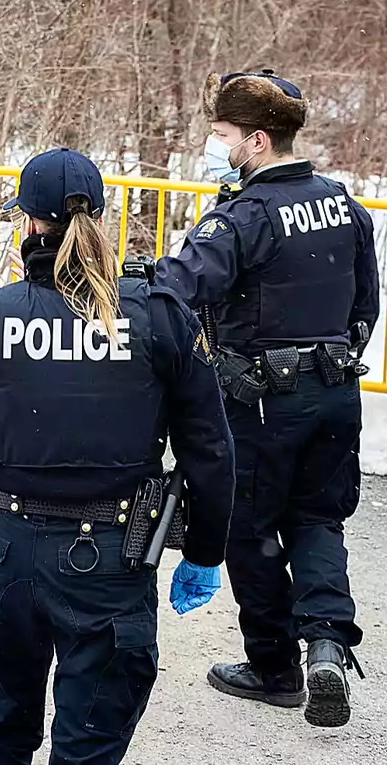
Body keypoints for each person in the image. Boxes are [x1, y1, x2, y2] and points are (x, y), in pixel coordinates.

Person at [0, 148, 235, 765]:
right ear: (100, 218)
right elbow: (209, 448)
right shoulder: (158, 317)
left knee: (2, 727)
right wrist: (205, 553)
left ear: (25, 223)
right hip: (112, 556)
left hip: (8, 552)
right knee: (89, 745)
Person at [155, 69, 377, 727]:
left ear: (254, 140)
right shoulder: (344, 204)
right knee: (317, 521)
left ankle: (276, 667)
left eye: (220, 134)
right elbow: (365, 305)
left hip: (260, 406)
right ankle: (329, 643)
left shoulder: (245, 216)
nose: (213, 144)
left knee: (248, 531)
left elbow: (179, 289)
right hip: (336, 396)